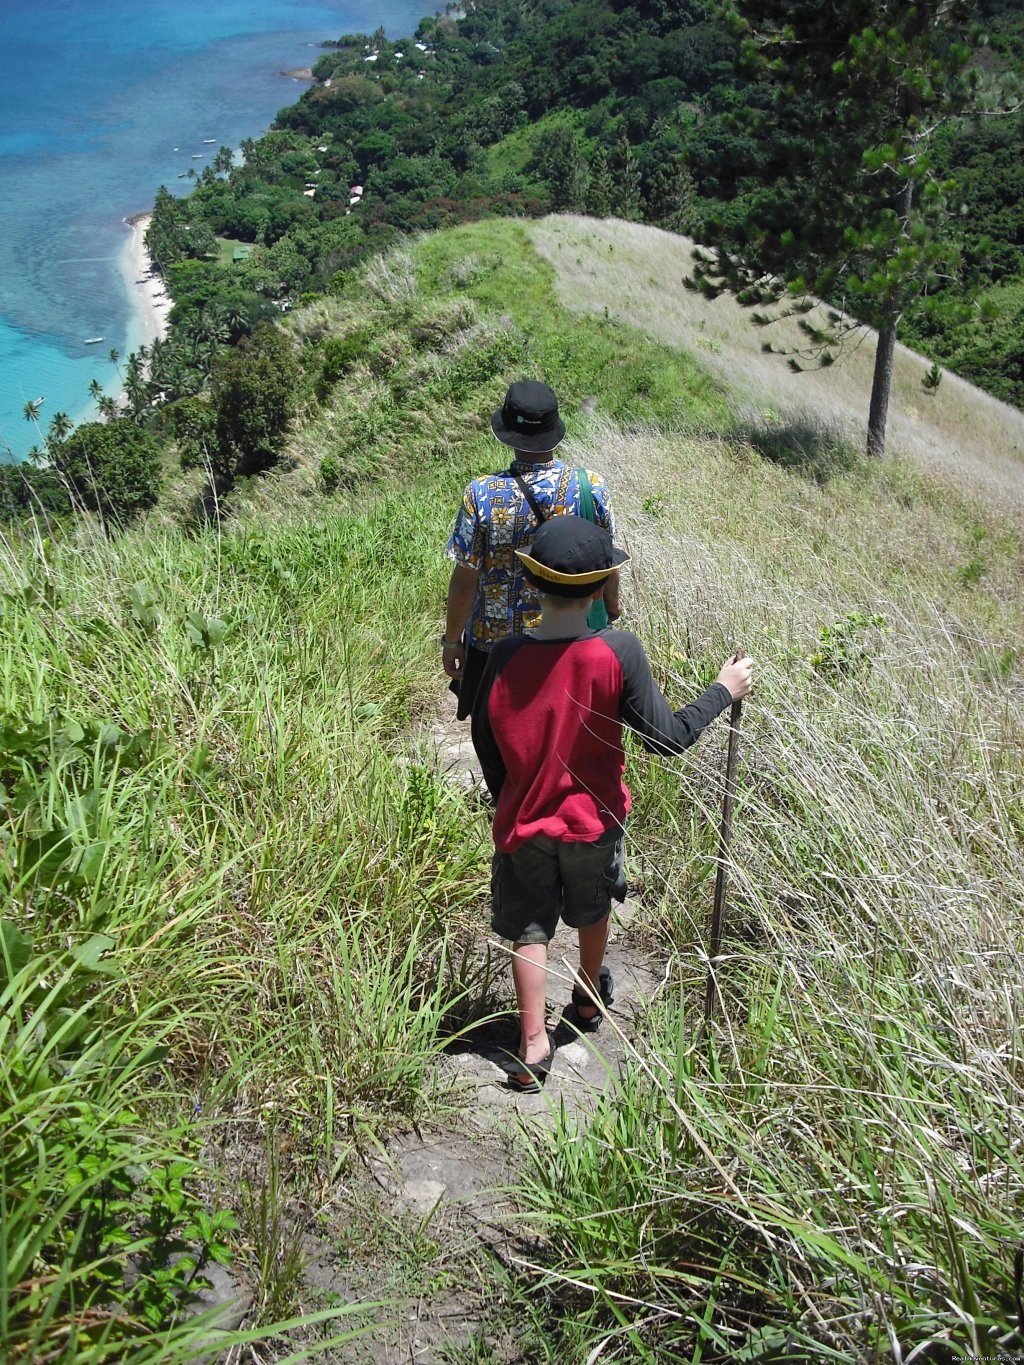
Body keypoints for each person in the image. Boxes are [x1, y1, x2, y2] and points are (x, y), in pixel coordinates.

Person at [470, 515, 753, 1092]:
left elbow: (485, 740)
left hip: (523, 823)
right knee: (592, 905)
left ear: (532, 581)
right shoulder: (616, 651)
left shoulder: (502, 656)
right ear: (600, 587)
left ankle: (531, 1045)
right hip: (593, 822)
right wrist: (723, 691)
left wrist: (512, 801)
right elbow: (667, 738)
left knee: (530, 927)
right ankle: (588, 997)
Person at [443, 379, 619, 719]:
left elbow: (465, 579)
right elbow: (606, 560)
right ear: (554, 429)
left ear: (506, 431)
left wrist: (452, 641)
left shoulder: (480, 494)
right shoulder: (590, 487)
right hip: (567, 640)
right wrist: (611, 605)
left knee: (499, 741)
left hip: (494, 647)